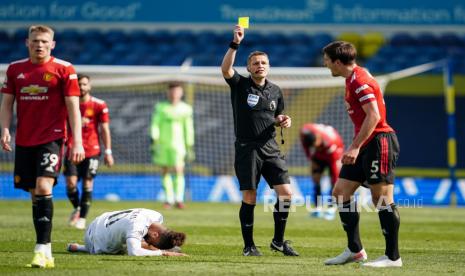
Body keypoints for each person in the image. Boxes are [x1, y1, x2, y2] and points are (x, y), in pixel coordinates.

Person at [0, 25, 85, 268]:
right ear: (27, 42)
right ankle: (45, 253)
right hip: (25, 139)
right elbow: (7, 104)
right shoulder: (15, 69)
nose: (40, 45)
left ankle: (42, 249)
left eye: (44, 41)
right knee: (34, 193)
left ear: (52, 44)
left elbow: (73, 107)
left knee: (43, 184)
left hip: (52, 138)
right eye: (35, 40)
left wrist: (76, 141)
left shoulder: (64, 69)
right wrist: (5, 129)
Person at [322, 41, 401, 267]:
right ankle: (355, 250)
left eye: (327, 60)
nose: (325, 64)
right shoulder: (353, 77)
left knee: (382, 198)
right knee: (340, 192)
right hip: (366, 143)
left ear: (337, 62)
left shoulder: (359, 80)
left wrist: (355, 147)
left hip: (379, 142)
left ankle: (393, 257)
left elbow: (374, 116)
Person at [221, 25, 298, 257]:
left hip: (271, 148)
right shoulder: (240, 84)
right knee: (250, 197)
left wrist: (284, 120)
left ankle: (278, 241)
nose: (260, 66)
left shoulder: (276, 90)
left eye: (263, 62)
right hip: (247, 149)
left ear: (269, 66)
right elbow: (225, 69)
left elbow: (276, 116)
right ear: (248, 68)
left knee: (286, 194)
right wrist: (235, 43)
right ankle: (249, 246)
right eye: (255, 63)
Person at [65, 74, 114, 230]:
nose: (82, 87)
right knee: (71, 184)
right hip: (72, 149)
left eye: (85, 84)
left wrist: (108, 151)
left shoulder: (99, 105)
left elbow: (104, 129)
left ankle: (82, 219)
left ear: (90, 86)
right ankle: (78, 207)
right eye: (79, 84)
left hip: (92, 150)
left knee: (87, 182)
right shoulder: (68, 104)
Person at [67, 208, 187, 257]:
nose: (148, 242)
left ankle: (79, 248)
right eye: (152, 242)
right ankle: (86, 248)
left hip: (99, 220)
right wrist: (162, 253)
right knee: (131, 246)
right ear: (155, 234)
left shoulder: (157, 216)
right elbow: (134, 252)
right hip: (95, 239)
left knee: (134, 240)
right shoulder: (136, 226)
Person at [150, 82, 194, 209]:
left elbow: (188, 127)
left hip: (179, 145)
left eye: (177, 91)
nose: (174, 94)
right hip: (163, 144)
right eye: (172, 91)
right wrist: (154, 138)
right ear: (168, 93)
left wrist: (189, 144)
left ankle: (179, 199)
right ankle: (168, 199)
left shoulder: (186, 109)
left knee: (179, 169)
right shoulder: (161, 107)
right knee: (165, 170)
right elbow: (155, 124)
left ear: (181, 93)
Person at [299, 123, 344, 220]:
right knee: (315, 179)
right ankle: (317, 208)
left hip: (334, 155)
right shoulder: (305, 131)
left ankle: (331, 209)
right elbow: (306, 146)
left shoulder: (331, 143)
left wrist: (335, 180)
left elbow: (334, 165)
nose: (316, 147)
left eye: (317, 146)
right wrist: (311, 158)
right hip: (318, 156)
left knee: (334, 181)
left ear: (319, 139)